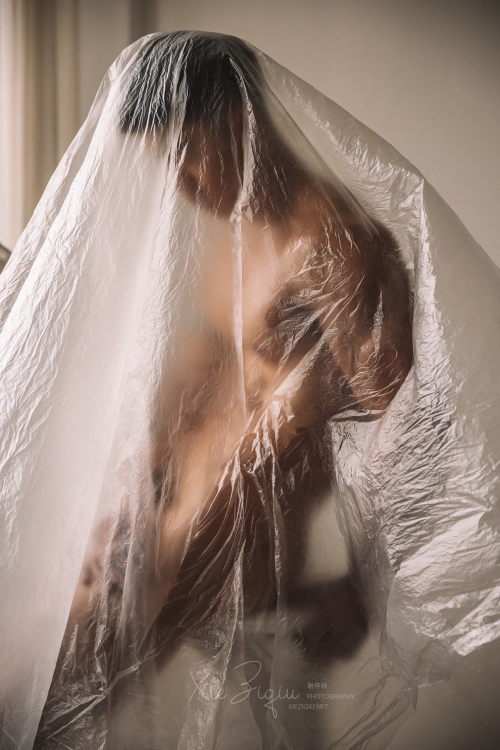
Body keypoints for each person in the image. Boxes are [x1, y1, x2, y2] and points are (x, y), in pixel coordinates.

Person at [32, 32, 413, 747]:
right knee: (47, 680)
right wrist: (134, 495)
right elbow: (193, 384)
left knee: (54, 694)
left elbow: (405, 423)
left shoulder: (337, 247)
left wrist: (365, 586)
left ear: (240, 120)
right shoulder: (233, 244)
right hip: (176, 513)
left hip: (243, 540)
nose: (178, 183)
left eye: (185, 153)